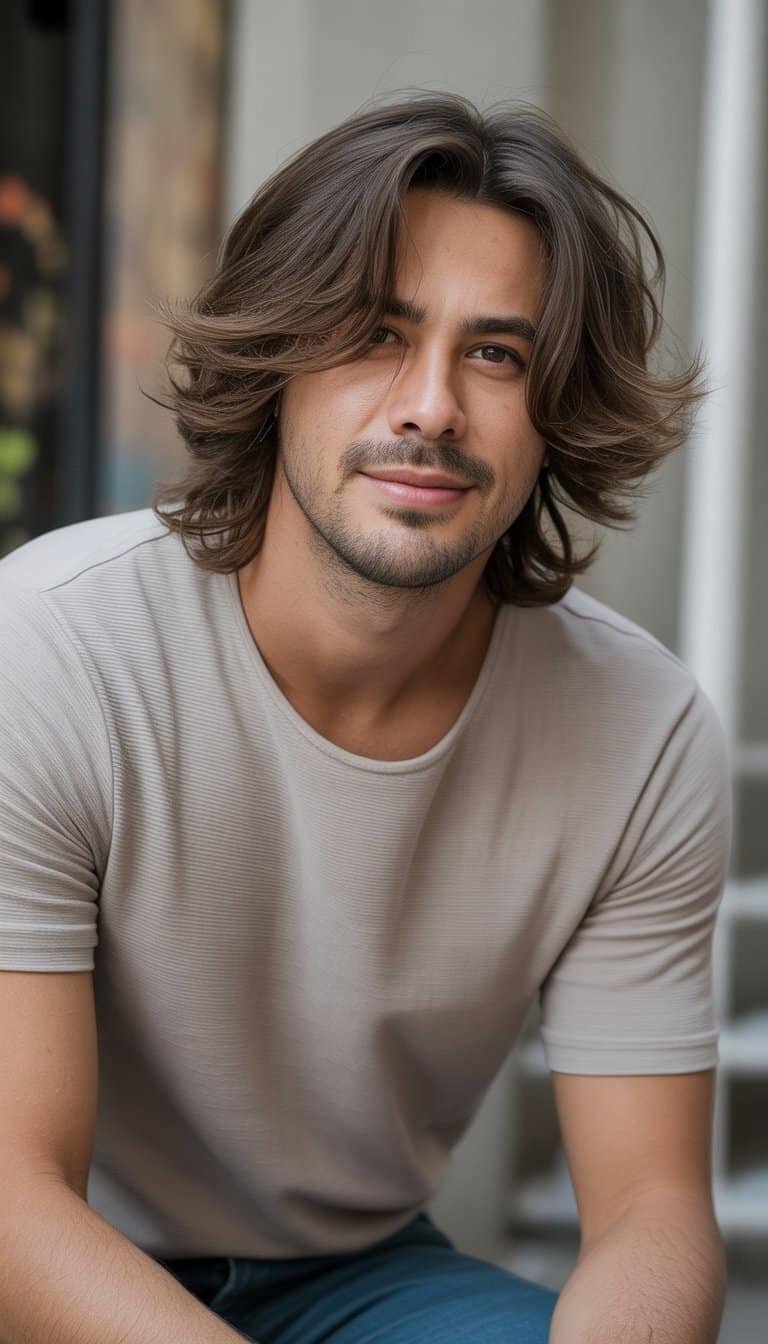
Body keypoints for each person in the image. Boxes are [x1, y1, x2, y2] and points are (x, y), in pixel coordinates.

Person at [0, 91, 731, 1344]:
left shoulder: (640, 735)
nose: (431, 406)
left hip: (356, 1279)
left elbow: (652, 1212)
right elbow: (14, 1197)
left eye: (496, 355)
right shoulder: (53, 646)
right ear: (278, 363)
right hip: (59, 1260)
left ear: (555, 414)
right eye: (375, 335)